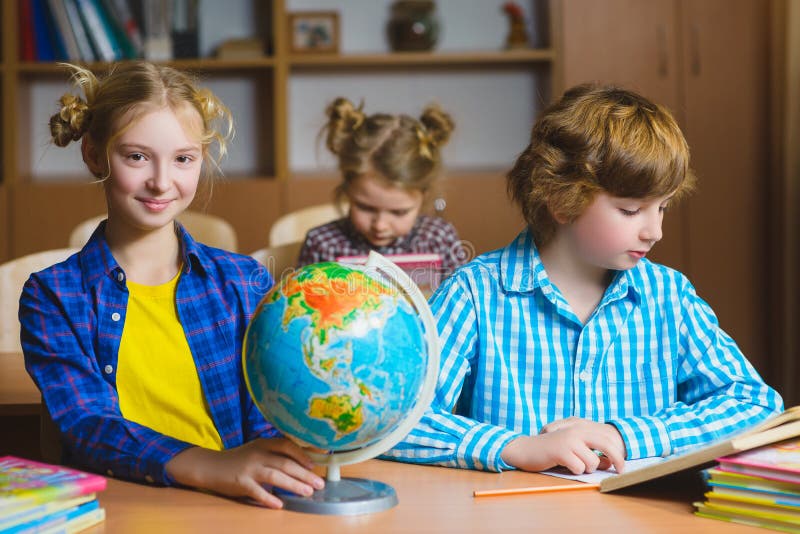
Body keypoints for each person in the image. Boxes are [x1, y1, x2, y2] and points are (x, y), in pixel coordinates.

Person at [383, 84, 783, 475]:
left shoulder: (669, 296)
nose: (654, 231)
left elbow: (754, 404)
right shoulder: (474, 293)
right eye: (630, 210)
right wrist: (515, 447)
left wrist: (625, 436)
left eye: (662, 208)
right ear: (560, 200)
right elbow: (394, 420)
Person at [19, 62, 324, 509]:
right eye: (137, 156)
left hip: (238, 506)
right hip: (119, 505)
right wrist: (213, 467)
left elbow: (270, 414)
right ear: (94, 155)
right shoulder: (53, 296)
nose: (162, 181)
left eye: (183, 159)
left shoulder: (246, 281)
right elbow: (86, 424)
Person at [296, 97, 467, 277]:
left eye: (398, 212)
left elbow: (462, 301)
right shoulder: (321, 245)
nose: (380, 225)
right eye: (365, 208)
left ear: (423, 195)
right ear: (348, 189)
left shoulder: (439, 239)